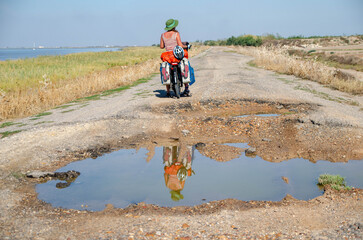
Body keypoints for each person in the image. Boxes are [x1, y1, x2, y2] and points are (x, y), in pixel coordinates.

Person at [160, 19, 191, 97]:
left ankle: (167, 91)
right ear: (174, 26)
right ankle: (186, 88)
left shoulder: (163, 35)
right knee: (184, 64)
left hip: (167, 56)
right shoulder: (176, 34)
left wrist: (167, 44)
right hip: (175, 55)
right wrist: (187, 46)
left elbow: (161, 46)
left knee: (166, 68)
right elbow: (180, 45)